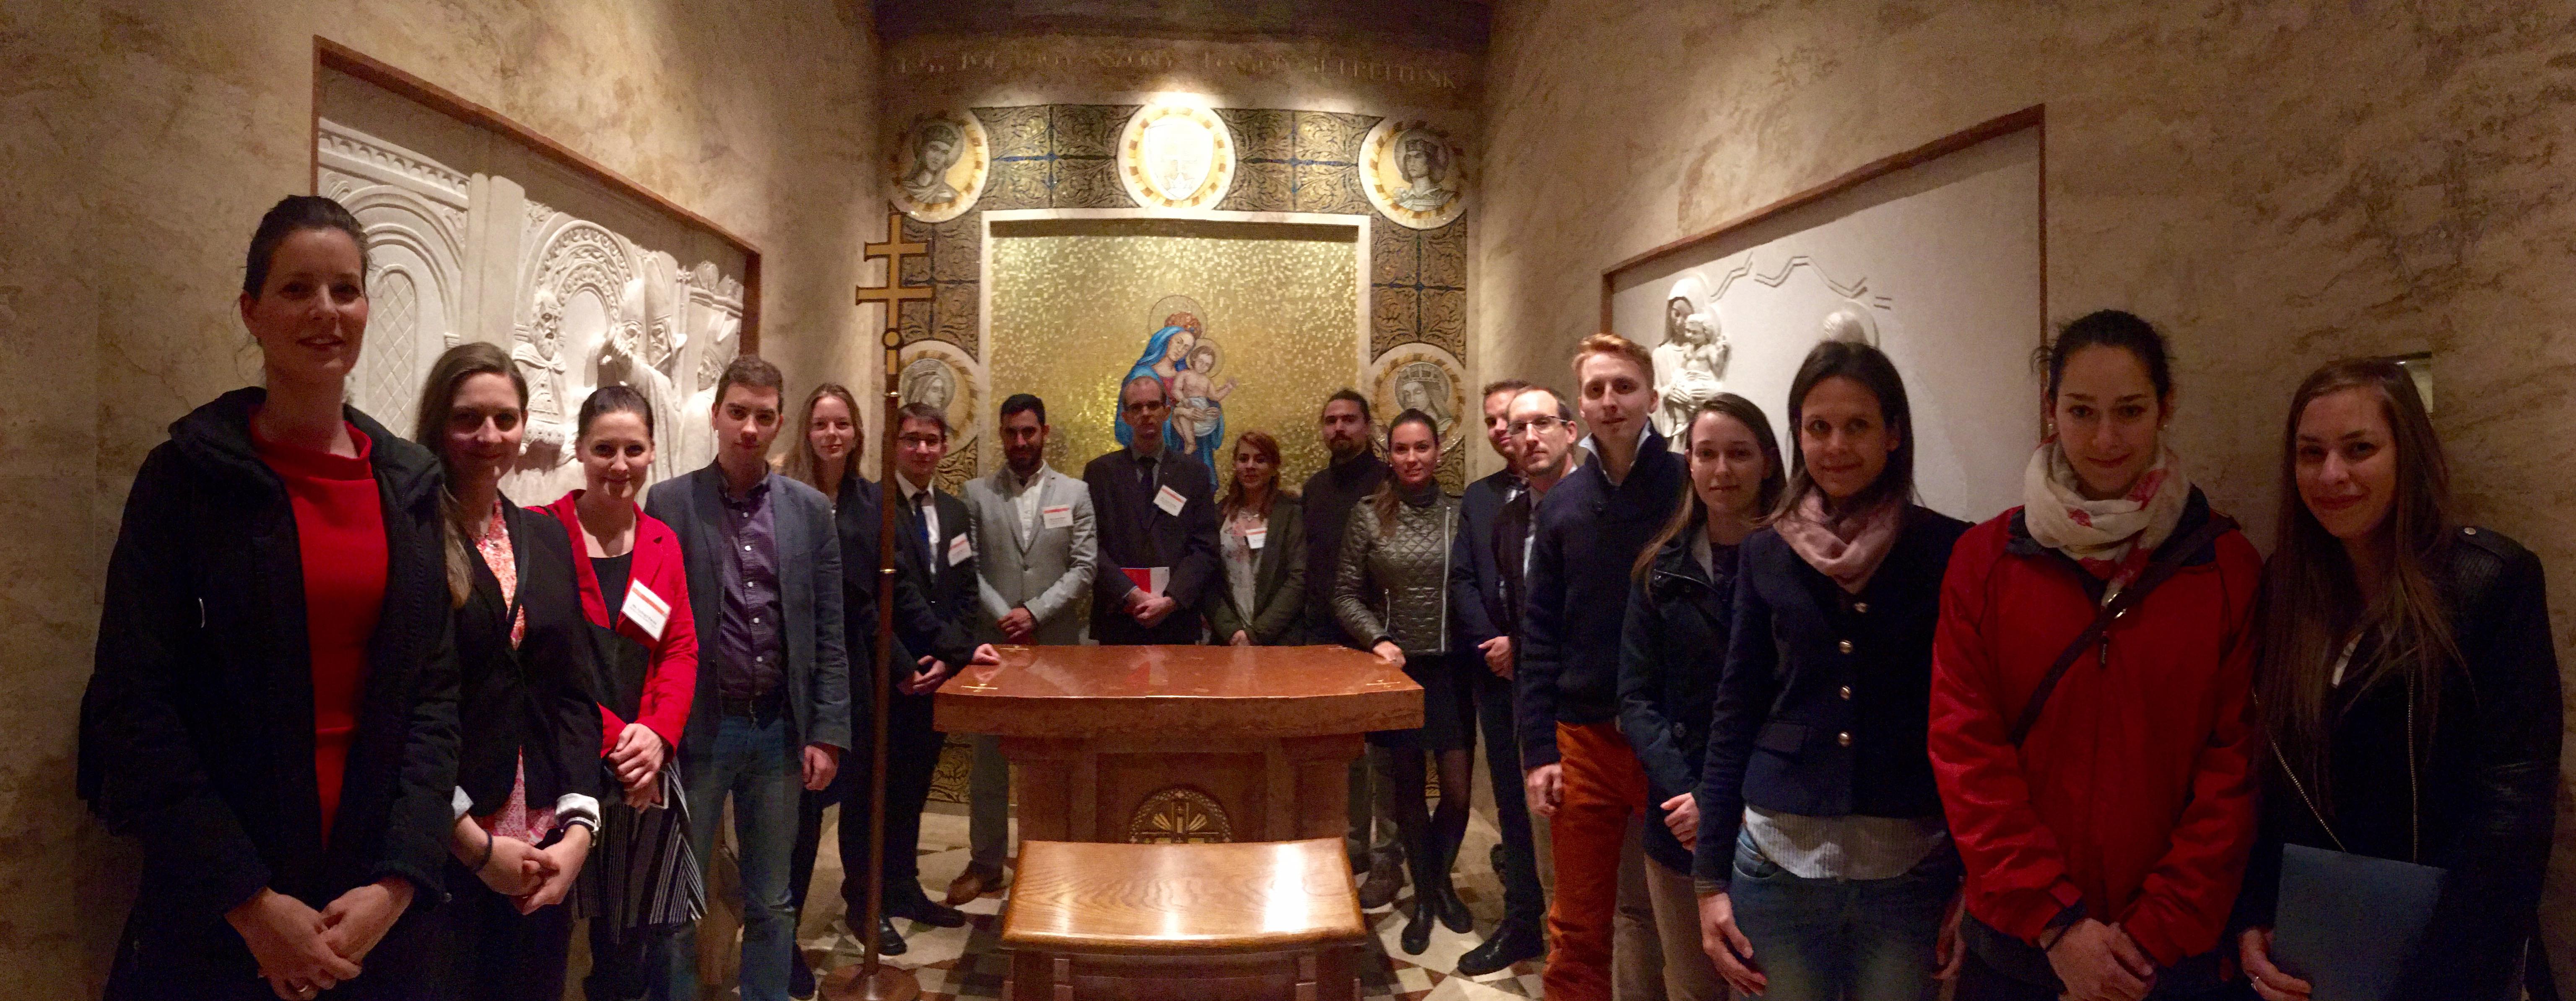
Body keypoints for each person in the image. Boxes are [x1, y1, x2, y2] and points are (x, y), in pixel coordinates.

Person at [80, 195, 458, 1000]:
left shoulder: (410, 487)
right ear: (252, 311)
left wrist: (398, 882)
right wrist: (249, 903)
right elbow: (133, 702)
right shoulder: (186, 477)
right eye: (297, 289)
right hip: (222, 906)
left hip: (373, 906)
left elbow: (433, 697)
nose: (326, 310)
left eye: (346, 289)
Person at [1928, 311, 2262, 1001]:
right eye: (2081, 411)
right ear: (2050, 409)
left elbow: (2236, 767)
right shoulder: (1983, 561)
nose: (2105, 439)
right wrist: (2058, 925)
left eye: (2129, 411)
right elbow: (1966, 752)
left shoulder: (2226, 566)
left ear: (2165, 407)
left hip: (2166, 960)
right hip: (2019, 946)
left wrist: (2148, 937)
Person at [2234, 359, 2561, 1001]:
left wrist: (2433, 983)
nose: (2332, 474)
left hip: (2459, 964)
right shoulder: (2283, 589)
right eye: (2311, 453)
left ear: (2408, 454)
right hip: (2318, 961)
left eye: (2359, 449)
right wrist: (2256, 920)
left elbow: (2513, 817)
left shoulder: (2490, 582)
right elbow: (2275, 790)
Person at [1690, 340, 1969, 1001]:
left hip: (1909, 869)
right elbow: (1736, 711)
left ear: (1893, 433)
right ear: (1798, 436)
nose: (1836, 446)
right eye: (1818, 427)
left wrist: (1974, 877)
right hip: (1775, 863)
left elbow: (1971, 724)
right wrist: (1708, 881)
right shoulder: (1766, 550)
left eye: (1857, 425)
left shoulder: (1949, 549)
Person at [644, 355, 850, 1001]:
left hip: (779, 733)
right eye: (737, 413)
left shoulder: (810, 511)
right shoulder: (669, 503)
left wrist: (826, 731)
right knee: (676, 900)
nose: (749, 429)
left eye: (763, 416)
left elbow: (829, 629)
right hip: (699, 730)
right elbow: (651, 629)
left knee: (772, 900)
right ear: (716, 416)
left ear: (780, 422)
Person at [414, 342, 604, 1000]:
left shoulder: (544, 535)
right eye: (468, 419)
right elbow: (403, 704)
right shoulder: (412, 535)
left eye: (505, 418)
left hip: (544, 837)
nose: (489, 436)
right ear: (438, 425)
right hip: (449, 836)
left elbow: (573, 690)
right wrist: (472, 844)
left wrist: (579, 830)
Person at [780, 386, 986, 974]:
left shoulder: (870, 503)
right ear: (806, 431)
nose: (833, 434)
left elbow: (877, 597)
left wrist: (923, 659)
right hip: (799, 669)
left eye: (842, 424)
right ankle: (783, 936)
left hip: (858, 669)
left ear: (857, 433)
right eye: (822, 424)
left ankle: (866, 905)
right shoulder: (787, 496)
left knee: (863, 796)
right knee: (800, 815)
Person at [1519, 333, 1688, 1001]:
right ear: (1581, 408)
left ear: (1652, 397)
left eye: (1624, 387)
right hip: (1583, 739)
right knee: (1577, 923)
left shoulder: (1688, 486)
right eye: (1596, 390)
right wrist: (1539, 750)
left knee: (1674, 916)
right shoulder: (1562, 504)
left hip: (1670, 735)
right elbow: (1540, 635)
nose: (1611, 401)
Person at [537, 386, 704, 1001]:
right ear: (580, 450)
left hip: (644, 770)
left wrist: (657, 737)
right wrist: (621, 743)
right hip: (566, 760)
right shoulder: (541, 532)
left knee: (628, 943)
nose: (620, 464)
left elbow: (680, 650)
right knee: (545, 925)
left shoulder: (662, 541)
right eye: (604, 449)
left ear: (653, 452)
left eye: (634, 449)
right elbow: (544, 667)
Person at [1617, 394, 1784, 1001]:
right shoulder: (1660, 569)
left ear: (1768, 461)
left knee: (1767, 986)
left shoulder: (1800, 566)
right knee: (1693, 986)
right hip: (1680, 814)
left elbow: (1794, 702)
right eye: (1706, 454)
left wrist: (1726, 802)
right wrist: (1689, 794)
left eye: (1738, 454)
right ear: (1688, 462)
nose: (1722, 470)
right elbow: (1636, 698)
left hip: (1773, 817)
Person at [1332, 410, 1473, 956]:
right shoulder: (1369, 514)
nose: (1412, 458)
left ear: (1438, 451)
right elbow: (1345, 593)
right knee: (1408, 794)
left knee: (1457, 794)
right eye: (1402, 449)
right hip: (1400, 671)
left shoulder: (1463, 511)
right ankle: (1430, 902)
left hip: (1454, 668)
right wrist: (1378, 640)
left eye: (1422, 448)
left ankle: (1437, 884)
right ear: (1388, 455)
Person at [956, 393, 1097, 903]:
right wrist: (1005, 615)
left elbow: (1084, 566)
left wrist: (1034, 613)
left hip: (1055, 646)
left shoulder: (1076, 492)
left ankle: (1053, 864)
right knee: (988, 761)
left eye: (1029, 432)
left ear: (1045, 432)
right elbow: (968, 567)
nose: (1020, 442)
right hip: (994, 647)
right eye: (1012, 433)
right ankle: (985, 863)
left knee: (1055, 757)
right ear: (1002, 434)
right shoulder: (975, 494)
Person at [868, 402, 995, 929]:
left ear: (945, 447)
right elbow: (894, 594)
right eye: (912, 439)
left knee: (916, 787)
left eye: (932, 440)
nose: (922, 449)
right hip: (895, 671)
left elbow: (966, 590)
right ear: (895, 445)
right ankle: (870, 896)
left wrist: (950, 657)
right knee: (881, 793)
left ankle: (904, 888)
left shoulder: (956, 511)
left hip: (936, 674)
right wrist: (933, 655)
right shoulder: (876, 505)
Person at [1447, 379, 1550, 976]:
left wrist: (1522, 643)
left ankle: (1569, 921)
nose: (1500, 431)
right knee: (1511, 797)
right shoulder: (1480, 497)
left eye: (1507, 418)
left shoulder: (1570, 490)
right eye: (1490, 422)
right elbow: (1463, 578)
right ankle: (1523, 919)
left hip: (1550, 674)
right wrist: (1493, 642)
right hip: (1494, 672)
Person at [1300, 389, 1406, 905]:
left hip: (1378, 634)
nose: (1339, 428)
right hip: (1324, 634)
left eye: (1349, 420)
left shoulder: (1390, 482)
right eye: (1331, 420)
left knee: (1384, 753)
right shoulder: (1315, 489)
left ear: (1368, 426)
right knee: (1345, 754)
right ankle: (1355, 843)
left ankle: (1389, 856)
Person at [1084, 376, 1221, 644]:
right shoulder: (1100, 473)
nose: (1145, 413)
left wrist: (1171, 599)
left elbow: (1205, 546)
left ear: (1167, 411)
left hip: (1176, 619)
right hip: (1118, 617)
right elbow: (1090, 545)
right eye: (1136, 408)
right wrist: (1131, 594)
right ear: (1126, 417)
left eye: (1153, 405)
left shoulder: (1194, 473)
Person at [1205, 429, 1306, 647]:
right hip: (1228, 639)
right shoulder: (1218, 514)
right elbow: (1207, 577)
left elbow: (1298, 578)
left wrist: (1257, 634)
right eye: (1243, 459)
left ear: (1274, 467)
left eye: (1260, 460)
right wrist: (1231, 631)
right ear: (1235, 465)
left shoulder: (1290, 514)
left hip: (1279, 640)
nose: (1250, 466)